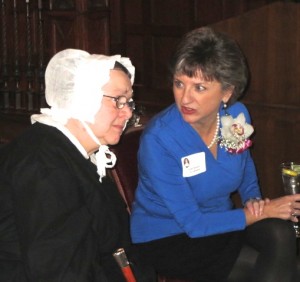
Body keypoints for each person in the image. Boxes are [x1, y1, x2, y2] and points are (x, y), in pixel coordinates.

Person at [130, 27, 300, 282]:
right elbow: (194, 224)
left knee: (281, 234)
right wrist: (261, 213)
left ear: (227, 92)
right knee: (278, 266)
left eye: (199, 87)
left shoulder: (236, 116)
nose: (185, 98)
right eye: (179, 83)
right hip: (170, 236)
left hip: (221, 220)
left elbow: (245, 165)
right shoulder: (160, 139)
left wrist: (253, 199)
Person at [0, 49, 155, 281]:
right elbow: (60, 271)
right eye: (118, 101)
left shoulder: (79, 151)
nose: (127, 113)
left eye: (129, 102)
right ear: (83, 99)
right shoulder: (44, 164)